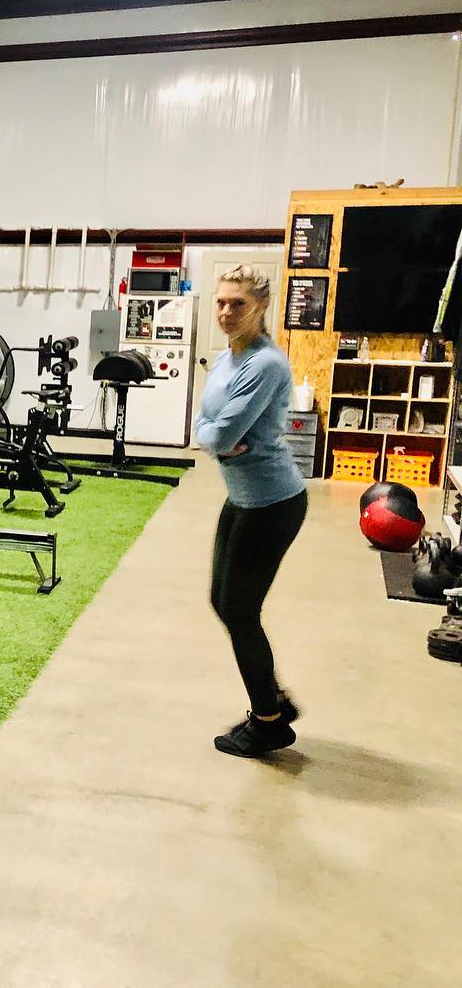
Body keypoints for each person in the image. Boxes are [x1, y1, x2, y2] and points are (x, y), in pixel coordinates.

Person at [194, 266, 308, 759]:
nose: (225, 312)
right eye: (220, 302)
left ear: (260, 306)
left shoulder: (265, 364)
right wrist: (213, 436)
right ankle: (273, 700)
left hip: (273, 502)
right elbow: (206, 427)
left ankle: (269, 722)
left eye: (237, 303)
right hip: (241, 496)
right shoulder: (226, 358)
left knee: (240, 610)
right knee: (222, 601)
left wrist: (214, 436)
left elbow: (220, 433)